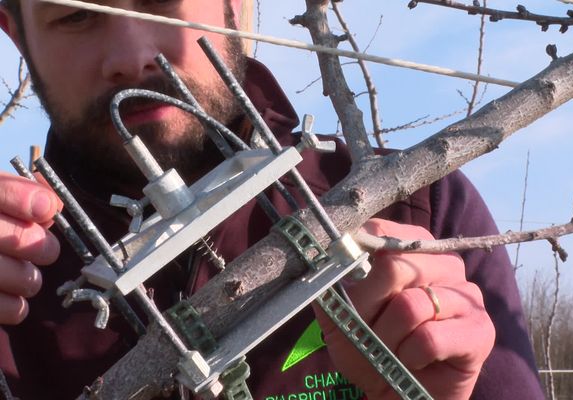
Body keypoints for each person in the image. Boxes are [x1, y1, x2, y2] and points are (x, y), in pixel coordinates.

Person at [0, 1, 544, 399]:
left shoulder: (408, 205)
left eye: (161, 0)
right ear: (18, 35)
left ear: (235, 4)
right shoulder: (13, 276)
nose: (130, 57)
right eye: (75, 15)